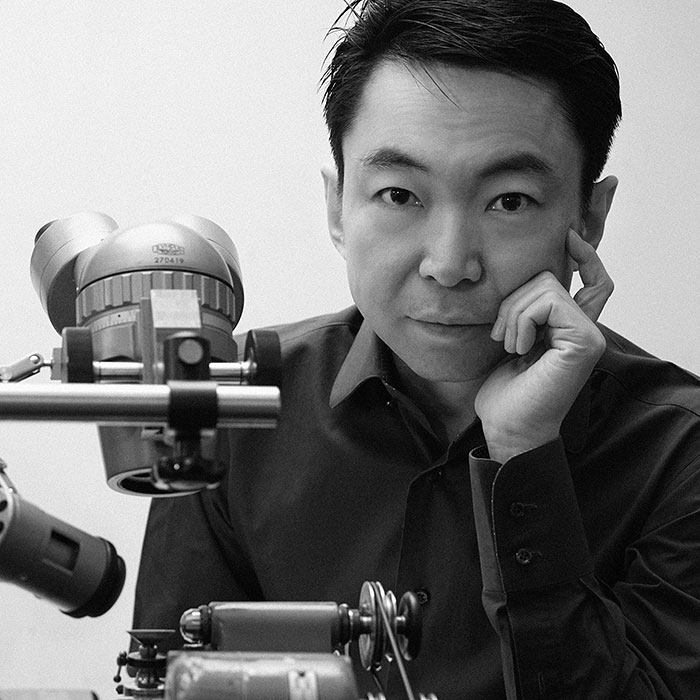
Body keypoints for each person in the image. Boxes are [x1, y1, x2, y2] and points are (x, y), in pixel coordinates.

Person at [133, 1, 700, 698]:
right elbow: (168, 679)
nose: (449, 264)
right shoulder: (230, 405)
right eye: (400, 194)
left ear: (590, 215)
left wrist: (524, 456)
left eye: (509, 201)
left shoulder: (681, 450)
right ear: (338, 206)